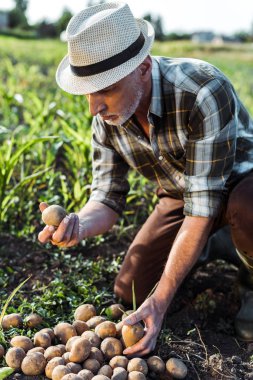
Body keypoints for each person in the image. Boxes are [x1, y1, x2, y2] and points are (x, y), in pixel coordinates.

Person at [38, 2, 253, 356]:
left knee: (247, 207)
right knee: (130, 290)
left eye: (105, 89)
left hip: (240, 185)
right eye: (87, 92)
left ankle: (249, 274)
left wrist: (162, 300)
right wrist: (78, 224)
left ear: (143, 68)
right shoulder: (105, 121)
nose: (94, 107)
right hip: (182, 195)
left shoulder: (202, 88)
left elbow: (203, 207)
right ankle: (211, 244)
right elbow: (106, 199)